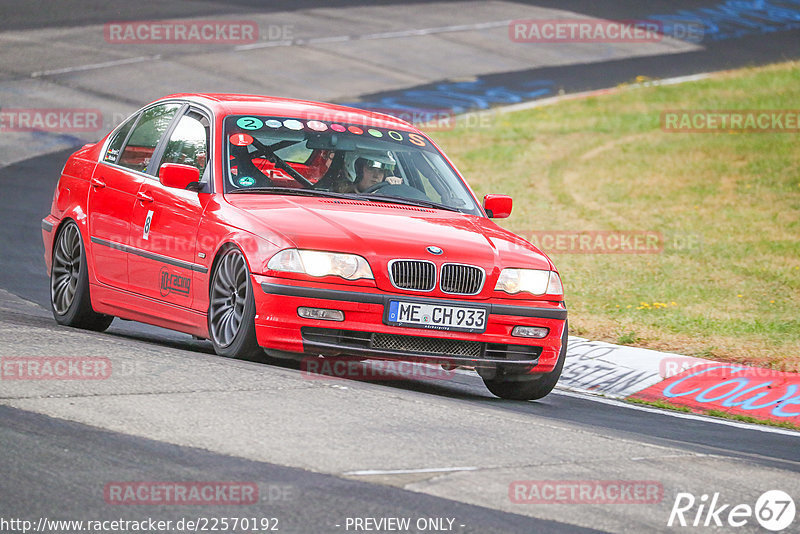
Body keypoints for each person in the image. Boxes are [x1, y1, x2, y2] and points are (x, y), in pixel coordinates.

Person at [333, 152, 402, 193]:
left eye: (381, 171)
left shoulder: (388, 199)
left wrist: (396, 189)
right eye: (371, 169)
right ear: (357, 170)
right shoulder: (338, 199)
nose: (376, 175)